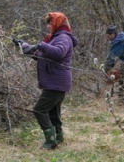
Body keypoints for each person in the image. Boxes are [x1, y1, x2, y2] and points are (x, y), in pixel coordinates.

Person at [17, 12, 78, 150]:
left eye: (50, 23)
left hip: (57, 82)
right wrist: (24, 46)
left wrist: (40, 45)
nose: (48, 26)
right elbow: (41, 55)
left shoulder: (63, 38)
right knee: (53, 112)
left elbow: (58, 53)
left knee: (39, 110)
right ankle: (59, 138)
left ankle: (51, 141)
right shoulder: (53, 38)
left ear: (58, 23)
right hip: (55, 82)